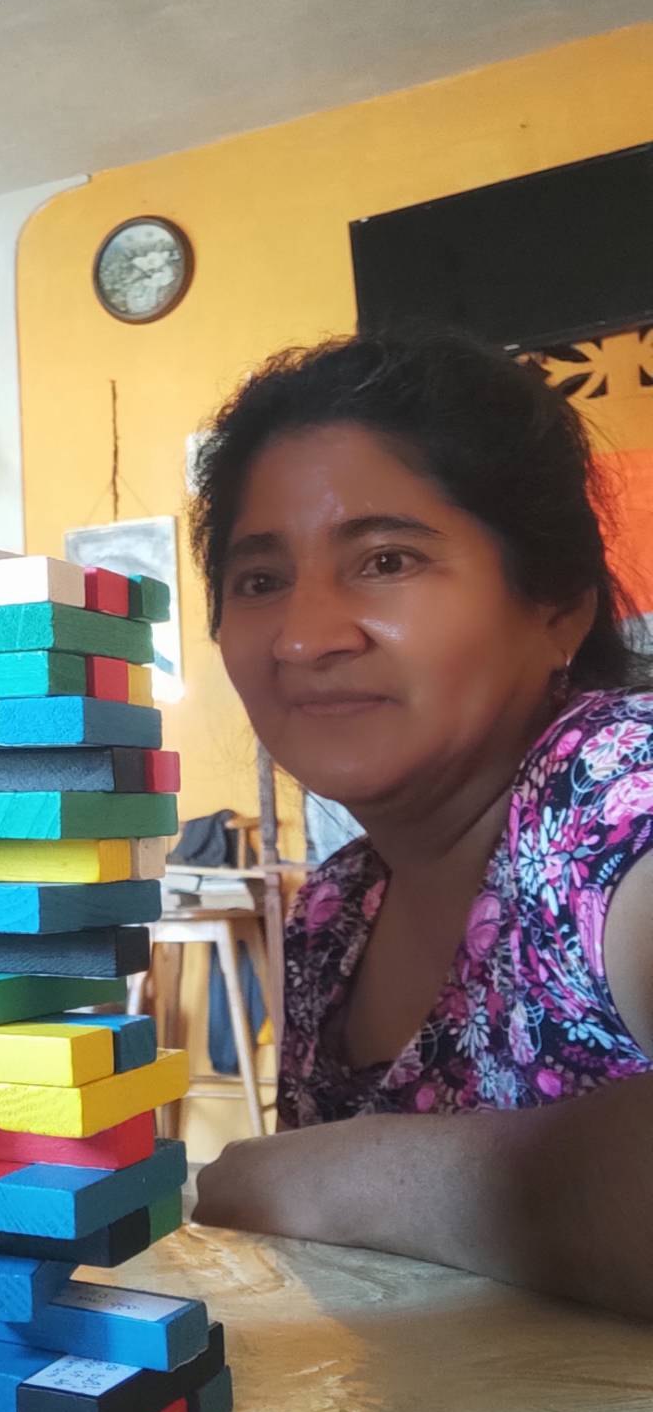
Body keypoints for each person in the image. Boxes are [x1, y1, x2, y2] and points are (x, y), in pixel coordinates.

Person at [189, 331, 653, 1321]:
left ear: (558, 610)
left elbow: (313, 1198)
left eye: (386, 560)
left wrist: (334, 1177)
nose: (304, 638)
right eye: (260, 580)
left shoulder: (612, 789)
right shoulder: (335, 912)